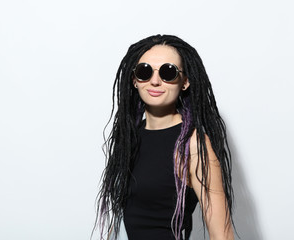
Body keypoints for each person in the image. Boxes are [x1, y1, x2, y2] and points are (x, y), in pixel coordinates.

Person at [95, 34, 235, 240]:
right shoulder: (129, 138)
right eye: (144, 71)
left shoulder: (193, 143)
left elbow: (222, 235)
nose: (154, 81)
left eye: (168, 72)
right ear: (134, 80)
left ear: (185, 81)